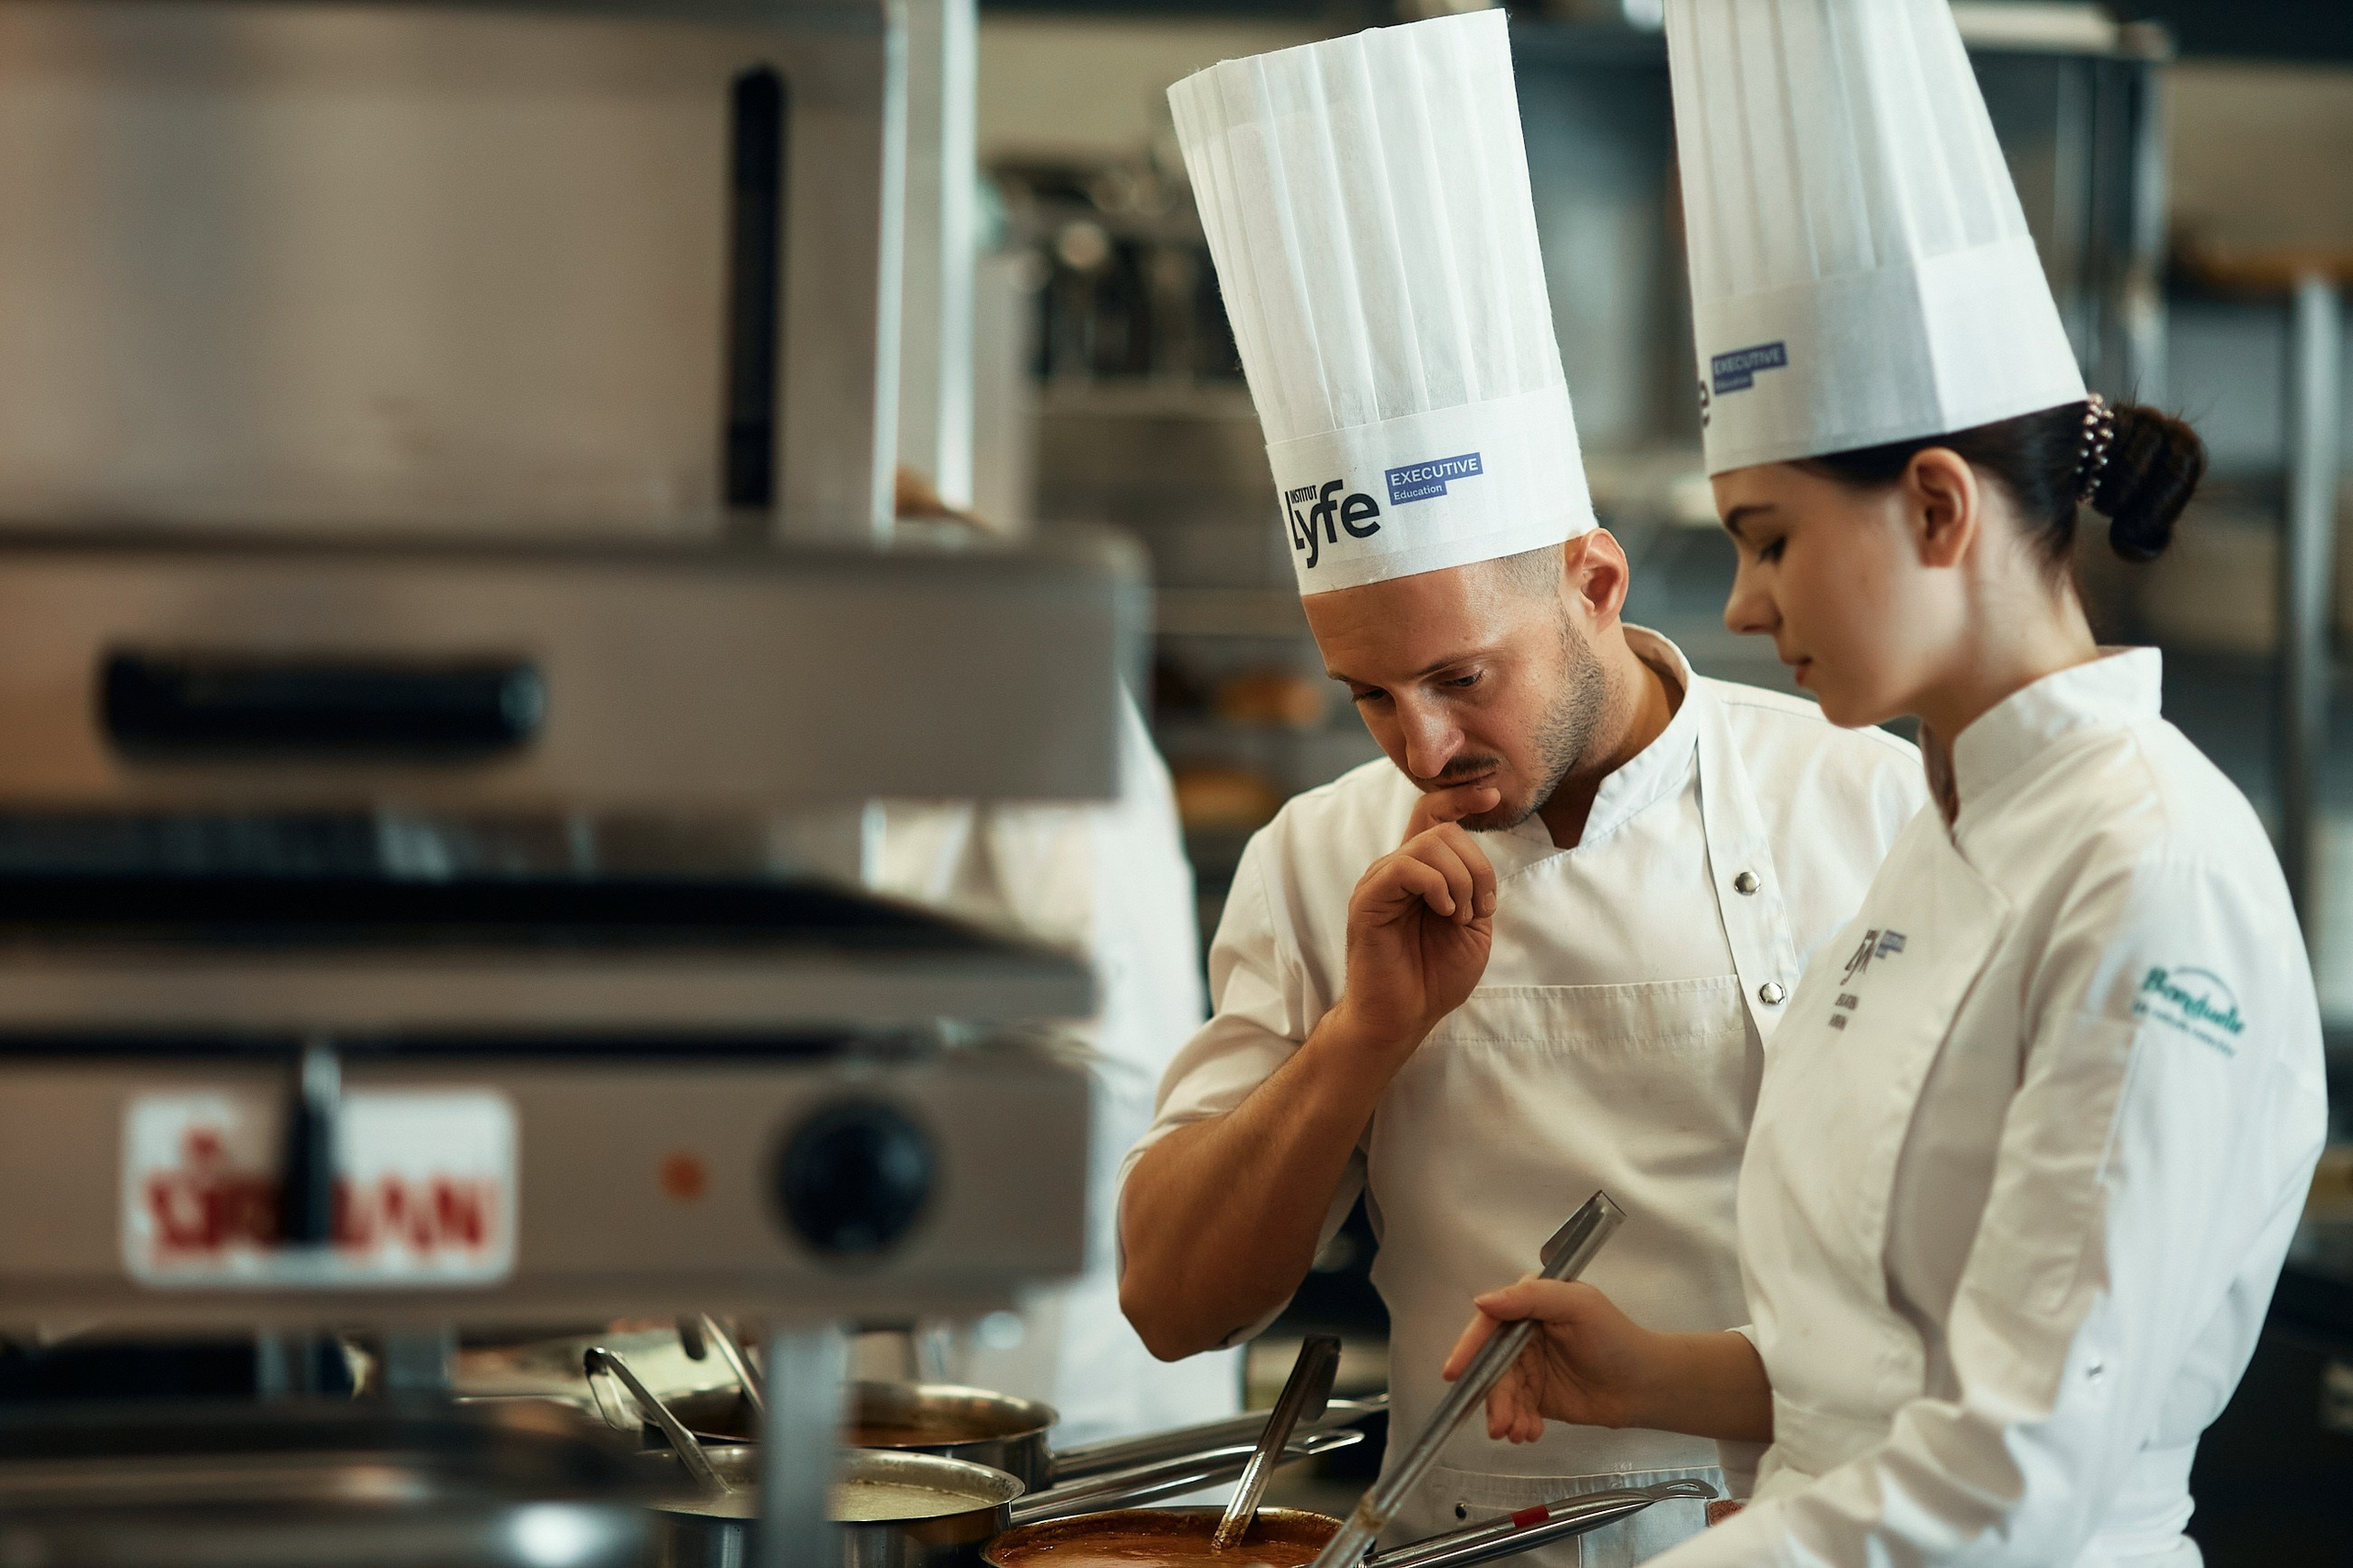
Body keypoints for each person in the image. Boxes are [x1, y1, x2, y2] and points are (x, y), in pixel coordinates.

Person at [1442, 4, 2331, 1563]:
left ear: (1934, 507)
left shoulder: (2149, 874)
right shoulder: (1947, 836)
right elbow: (1884, 1372)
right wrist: (1667, 1374)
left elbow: (2012, 1473)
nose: (1736, 606)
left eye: (1771, 537)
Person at [1117, 14, 1926, 1561]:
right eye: (1366, 692)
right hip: (1471, 1543)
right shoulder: (1321, 859)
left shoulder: (1863, 801)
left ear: (1595, 581)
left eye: (1461, 677)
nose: (1416, 747)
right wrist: (1364, 1038)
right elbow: (1168, 1298)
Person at [875, 468, 1242, 1445]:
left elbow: (1081, 989)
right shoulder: (975, 653)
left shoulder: (999, 661)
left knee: (1060, 1500)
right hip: (1000, 1233)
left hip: (1067, 1267)